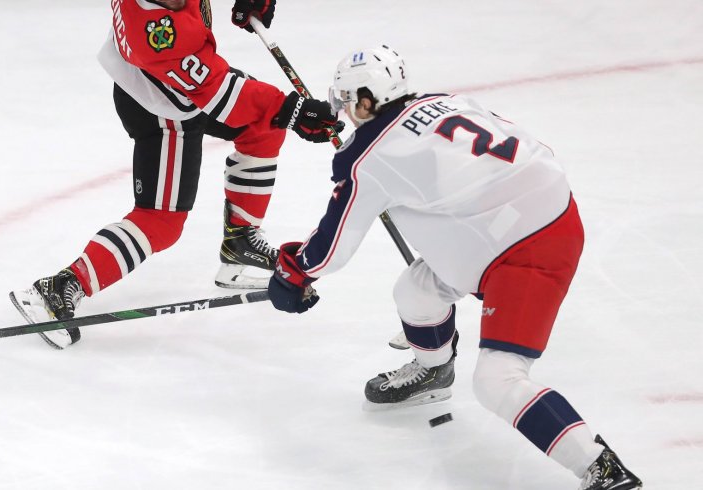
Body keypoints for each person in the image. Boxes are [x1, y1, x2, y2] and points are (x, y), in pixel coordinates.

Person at [266, 45, 642, 489]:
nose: (346, 110)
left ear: (368, 101)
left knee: (497, 380)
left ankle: (600, 466)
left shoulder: (368, 158)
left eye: (349, 100)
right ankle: (433, 370)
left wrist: (293, 273)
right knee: (416, 291)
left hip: (527, 252)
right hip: (534, 215)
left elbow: (330, 251)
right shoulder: (446, 101)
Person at [10, 0, 342, 349]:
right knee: (161, 221)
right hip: (163, 106)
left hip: (186, 86)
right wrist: (291, 110)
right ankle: (60, 286)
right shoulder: (156, 35)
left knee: (263, 127)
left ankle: (240, 242)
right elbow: (219, 92)